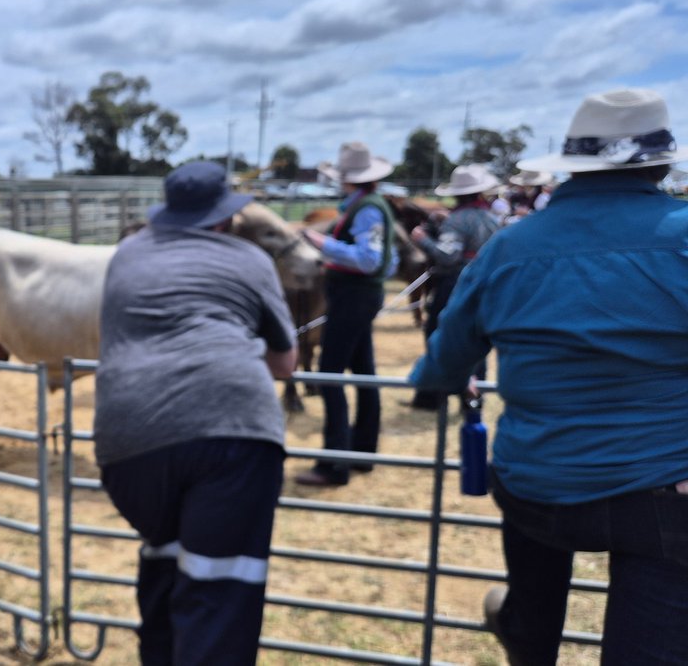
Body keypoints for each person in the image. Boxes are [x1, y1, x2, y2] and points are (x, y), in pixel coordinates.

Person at [410, 88, 688, 665]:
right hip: (665, 486)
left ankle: (522, 630)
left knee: (531, 626)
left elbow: (445, 360)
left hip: (537, 479)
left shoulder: (510, 246)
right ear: (663, 162)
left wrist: (435, 378)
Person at [93, 161, 298, 665]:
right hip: (232, 433)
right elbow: (285, 363)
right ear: (226, 217)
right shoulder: (250, 260)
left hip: (129, 441)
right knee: (219, 592)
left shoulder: (126, 254)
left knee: (165, 562)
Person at [295, 141, 399, 487]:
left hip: (352, 298)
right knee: (364, 372)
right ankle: (362, 451)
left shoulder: (366, 209)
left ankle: (334, 463)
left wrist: (320, 243)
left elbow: (368, 259)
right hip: (361, 296)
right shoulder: (373, 205)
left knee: (330, 375)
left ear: (348, 179)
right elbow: (387, 260)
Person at [407, 164, 501, 410]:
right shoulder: (492, 218)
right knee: (478, 341)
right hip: (486, 285)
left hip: (455, 285)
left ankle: (435, 396)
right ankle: (473, 397)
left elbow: (447, 255)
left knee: (438, 335)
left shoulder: (457, 220)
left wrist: (422, 240)